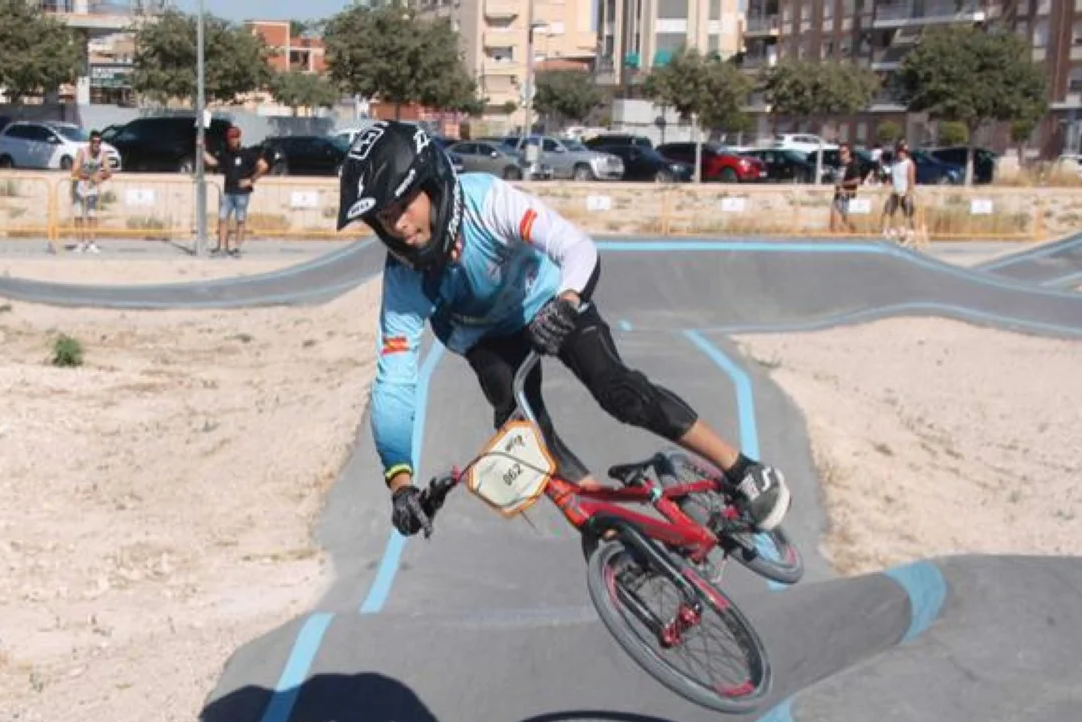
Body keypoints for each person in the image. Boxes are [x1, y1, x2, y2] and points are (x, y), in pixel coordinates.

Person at [334, 121, 791, 540]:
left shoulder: (487, 200)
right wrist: (401, 483)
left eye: (402, 205)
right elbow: (394, 381)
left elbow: (575, 245)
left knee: (618, 391)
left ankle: (744, 470)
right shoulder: (403, 278)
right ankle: (613, 525)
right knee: (526, 434)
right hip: (488, 341)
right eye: (382, 217)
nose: (397, 224)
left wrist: (569, 302)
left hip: (552, 301)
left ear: (430, 184)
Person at [201, 126, 269, 257]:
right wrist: (202, 151)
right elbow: (213, 162)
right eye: (231, 138)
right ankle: (221, 248)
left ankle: (237, 248)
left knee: (240, 220)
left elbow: (264, 166)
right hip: (228, 192)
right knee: (222, 218)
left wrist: (251, 180)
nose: (233, 140)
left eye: (235, 137)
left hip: (242, 193)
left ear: (239, 138)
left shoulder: (247, 153)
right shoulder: (225, 153)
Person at [70, 130, 112, 253]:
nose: (96, 144)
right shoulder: (82, 152)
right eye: (94, 141)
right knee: (78, 215)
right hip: (78, 186)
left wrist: (101, 176)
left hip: (92, 188)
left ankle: (91, 243)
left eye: (99, 142)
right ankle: (80, 243)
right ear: (90, 142)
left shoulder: (103, 153)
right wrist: (89, 176)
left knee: (92, 215)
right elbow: (74, 171)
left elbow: (109, 171)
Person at [880, 141, 916, 242]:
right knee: (888, 210)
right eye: (899, 151)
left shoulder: (909, 163)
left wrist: (909, 192)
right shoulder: (894, 163)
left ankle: (910, 232)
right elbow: (891, 177)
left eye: (903, 151)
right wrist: (887, 183)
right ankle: (887, 230)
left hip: (905, 192)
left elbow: (911, 179)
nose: (901, 153)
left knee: (908, 213)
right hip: (895, 191)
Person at [829, 143, 860, 234]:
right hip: (838, 194)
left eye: (844, 152)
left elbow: (857, 180)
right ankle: (833, 233)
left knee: (845, 217)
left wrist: (843, 184)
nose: (841, 154)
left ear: (848, 153)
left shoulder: (853, 164)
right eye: (840, 152)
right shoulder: (839, 165)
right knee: (833, 213)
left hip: (847, 195)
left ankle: (853, 230)